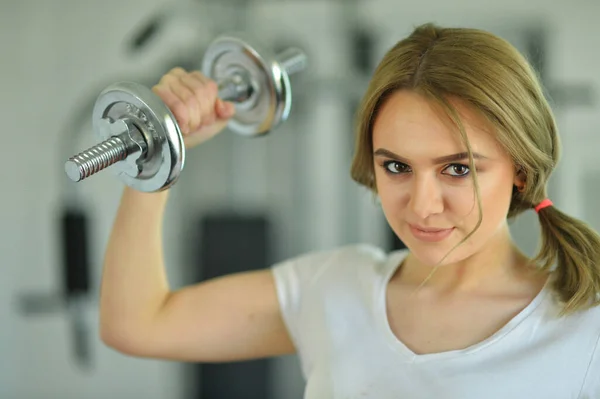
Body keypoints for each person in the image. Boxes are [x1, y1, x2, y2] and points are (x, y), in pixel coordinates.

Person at [99, 23, 600, 398]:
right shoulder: (334, 289)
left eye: (458, 169)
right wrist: (163, 149)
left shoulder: (585, 327)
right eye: (398, 167)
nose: (423, 206)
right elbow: (137, 323)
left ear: (519, 168)